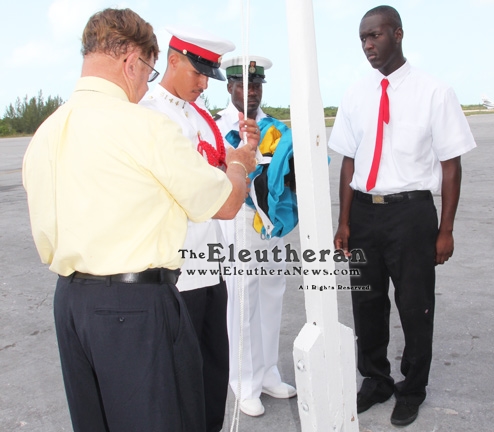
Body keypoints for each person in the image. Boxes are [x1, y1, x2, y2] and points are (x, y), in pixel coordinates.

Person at [22, 8, 258, 432]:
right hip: (134, 308)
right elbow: (224, 203)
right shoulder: (144, 127)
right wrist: (239, 164)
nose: (144, 85)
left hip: (71, 304)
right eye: (147, 72)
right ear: (132, 61)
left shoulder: (47, 132)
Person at [329, 5, 476, 427]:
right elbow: (348, 161)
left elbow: (451, 165)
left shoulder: (434, 92)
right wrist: (345, 221)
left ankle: (412, 388)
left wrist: (445, 229)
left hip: (412, 213)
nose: (368, 46)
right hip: (364, 212)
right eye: (362, 39)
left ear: (398, 33)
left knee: (415, 306)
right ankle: (376, 380)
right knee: (366, 304)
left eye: (375, 36)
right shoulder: (356, 93)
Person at [139, 26, 257, 432]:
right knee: (179, 384)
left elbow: (226, 171)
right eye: (198, 72)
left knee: (212, 374)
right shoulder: (150, 114)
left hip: (210, 265)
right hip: (175, 273)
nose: (204, 83)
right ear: (173, 61)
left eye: (209, 75)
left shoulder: (200, 116)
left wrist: (244, 155)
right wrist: (236, 167)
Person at [215, 56, 298, 417]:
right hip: (237, 220)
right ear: (229, 87)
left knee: (272, 292)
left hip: (269, 225)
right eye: (241, 86)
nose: (249, 93)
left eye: (256, 86)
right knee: (243, 298)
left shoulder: (273, 127)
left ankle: (267, 372)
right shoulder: (216, 127)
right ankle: (243, 381)